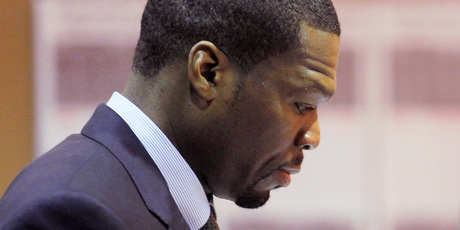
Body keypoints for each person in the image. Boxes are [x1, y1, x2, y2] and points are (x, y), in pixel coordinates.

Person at [0, 0, 341, 229]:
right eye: (303, 104)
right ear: (207, 73)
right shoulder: (73, 213)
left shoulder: (166, 202)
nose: (313, 137)